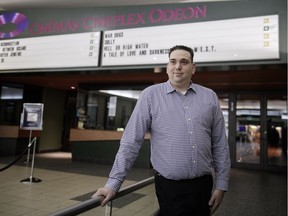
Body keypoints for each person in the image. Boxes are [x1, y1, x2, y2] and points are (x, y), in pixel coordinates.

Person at [92, 45, 231, 216]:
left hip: (203, 185)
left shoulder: (209, 96)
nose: (177, 66)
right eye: (173, 61)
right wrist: (113, 184)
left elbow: (219, 144)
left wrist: (221, 185)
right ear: (167, 67)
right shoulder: (150, 96)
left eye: (184, 62)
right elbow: (131, 142)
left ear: (193, 68)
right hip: (169, 187)